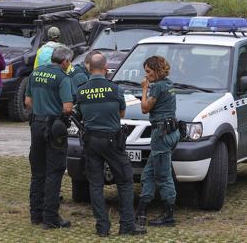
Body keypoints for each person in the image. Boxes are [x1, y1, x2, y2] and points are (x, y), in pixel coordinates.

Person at [76, 53, 146, 237]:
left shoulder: (81, 90)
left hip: (91, 140)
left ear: (89, 68)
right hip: (113, 140)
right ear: (106, 68)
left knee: (96, 184)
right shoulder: (115, 89)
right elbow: (122, 113)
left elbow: (80, 114)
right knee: (125, 181)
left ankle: (102, 227)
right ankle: (127, 225)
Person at [25, 45, 74, 229]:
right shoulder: (62, 77)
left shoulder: (35, 73)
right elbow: (67, 107)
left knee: (38, 171)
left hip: (36, 124)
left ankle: (35, 214)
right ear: (65, 61)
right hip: (54, 128)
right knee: (54, 171)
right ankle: (50, 217)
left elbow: (28, 102)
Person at [135, 55, 180, 227]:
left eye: (148, 72)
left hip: (161, 134)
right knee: (148, 174)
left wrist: (144, 89)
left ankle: (169, 215)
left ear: (156, 70)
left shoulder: (157, 87)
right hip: (171, 131)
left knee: (163, 176)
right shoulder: (169, 84)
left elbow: (145, 108)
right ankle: (141, 211)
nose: (146, 75)